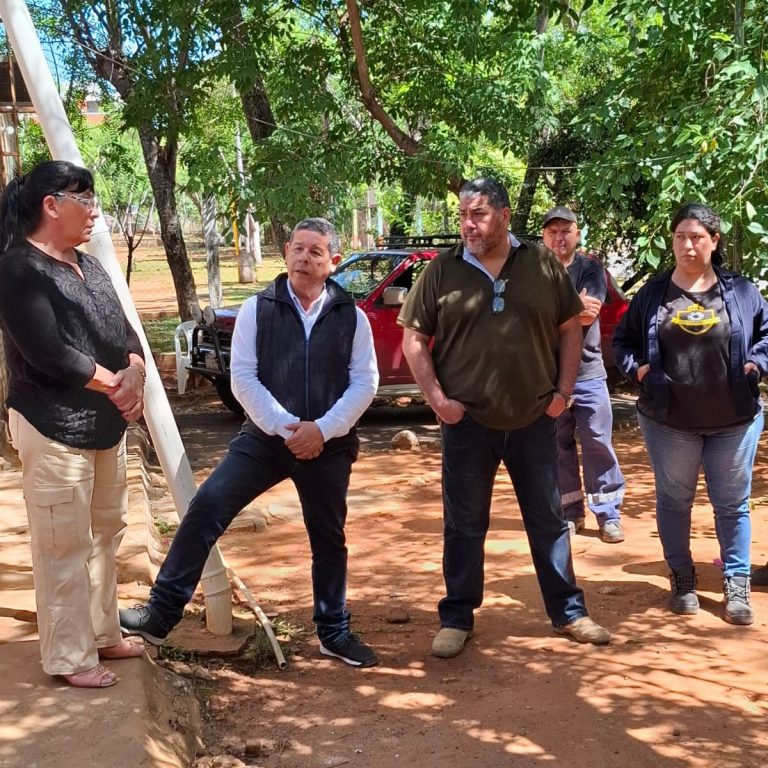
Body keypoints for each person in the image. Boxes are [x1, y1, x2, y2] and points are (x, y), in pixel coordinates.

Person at [119, 218, 380, 666]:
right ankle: (160, 615)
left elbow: (365, 382)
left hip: (328, 444)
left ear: (333, 261)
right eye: (298, 248)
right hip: (263, 439)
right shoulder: (258, 309)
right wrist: (287, 427)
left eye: (316, 252)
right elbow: (243, 378)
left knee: (328, 538)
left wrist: (322, 429)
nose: (304, 258)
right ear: (285, 252)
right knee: (208, 507)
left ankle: (333, 632)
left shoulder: (351, 317)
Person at [399, 177, 611, 659]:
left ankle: (569, 612)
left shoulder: (540, 263)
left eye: (478, 214)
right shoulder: (442, 270)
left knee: (549, 520)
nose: (468, 225)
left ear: (505, 215)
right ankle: (457, 617)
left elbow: (570, 329)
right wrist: (438, 402)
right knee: (464, 523)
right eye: (462, 216)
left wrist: (562, 392)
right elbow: (414, 337)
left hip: (534, 419)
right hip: (467, 423)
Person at [0, 161, 147, 688]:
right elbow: (49, 354)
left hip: (106, 425)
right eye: (85, 199)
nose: (94, 211)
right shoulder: (18, 269)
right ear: (51, 205)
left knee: (107, 533)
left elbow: (125, 332)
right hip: (51, 423)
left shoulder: (91, 266)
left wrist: (136, 372)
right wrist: (119, 385)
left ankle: (103, 632)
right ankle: (69, 655)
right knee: (63, 543)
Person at [613, 202, 768, 625]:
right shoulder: (654, 292)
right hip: (669, 422)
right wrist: (637, 370)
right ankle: (682, 577)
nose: (687, 244)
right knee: (675, 500)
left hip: (734, 419)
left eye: (697, 236)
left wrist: (757, 363)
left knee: (733, 504)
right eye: (680, 236)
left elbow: (766, 334)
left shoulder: (741, 291)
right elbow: (622, 341)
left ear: (714, 241)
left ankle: (736, 583)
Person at [541, 206, 626, 543]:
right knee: (556, 446)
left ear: (577, 234)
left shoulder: (590, 269)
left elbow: (589, 315)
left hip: (588, 373)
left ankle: (608, 515)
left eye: (566, 231)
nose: (560, 238)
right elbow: (528, 317)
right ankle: (570, 513)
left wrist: (547, 315)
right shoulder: (536, 271)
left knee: (597, 442)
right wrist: (569, 309)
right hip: (548, 375)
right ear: (545, 237)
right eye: (553, 232)